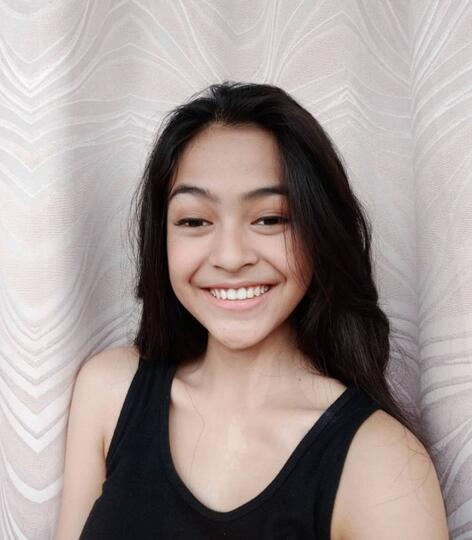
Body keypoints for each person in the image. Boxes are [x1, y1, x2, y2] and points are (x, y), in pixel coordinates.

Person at [55, 81, 449, 539]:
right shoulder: (109, 391)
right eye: (194, 220)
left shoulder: (384, 464)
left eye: (270, 219)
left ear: (321, 231)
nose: (230, 256)